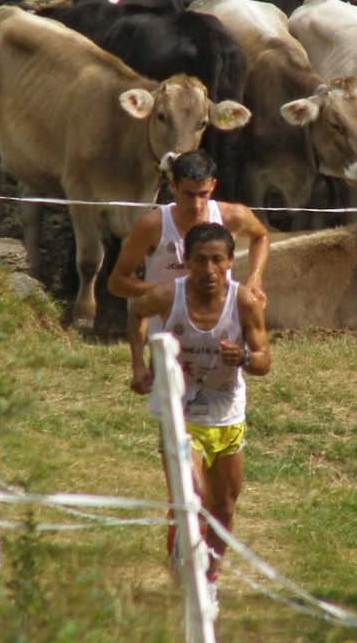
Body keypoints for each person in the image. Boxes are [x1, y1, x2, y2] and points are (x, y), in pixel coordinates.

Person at [128, 222, 271, 602]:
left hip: (225, 413)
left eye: (217, 261)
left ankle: (210, 577)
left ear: (229, 262)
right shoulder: (165, 295)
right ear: (186, 261)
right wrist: (139, 367)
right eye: (200, 260)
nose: (208, 270)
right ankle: (182, 545)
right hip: (179, 411)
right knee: (192, 494)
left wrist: (241, 357)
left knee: (222, 506)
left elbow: (264, 361)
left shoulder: (243, 303)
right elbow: (135, 314)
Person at [108, 149, 269, 318]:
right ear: (173, 186)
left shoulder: (233, 216)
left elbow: (261, 236)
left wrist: (255, 278)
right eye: (188, 194)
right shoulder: (152, 225)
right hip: (168, 330)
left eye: (203, 194)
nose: (196, 205)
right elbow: (117, 283)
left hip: (220, 327)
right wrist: (169, 293)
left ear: (213, 185)